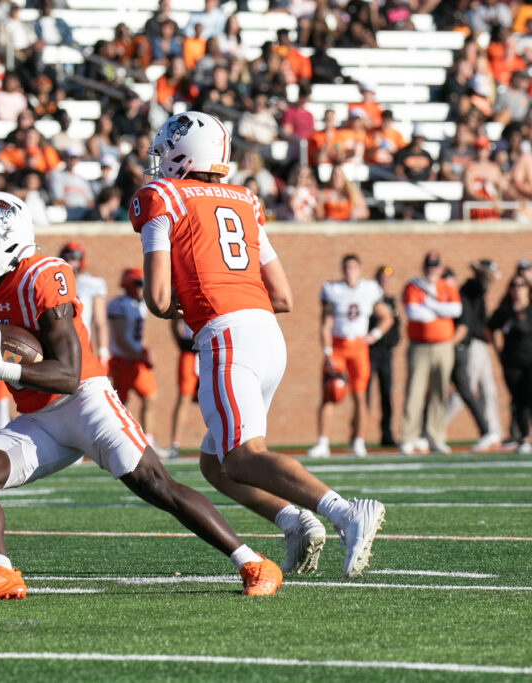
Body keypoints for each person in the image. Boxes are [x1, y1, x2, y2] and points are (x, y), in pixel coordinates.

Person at [0, 191, 283, 601]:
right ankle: (0, 570)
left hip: (85, 400)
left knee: (154, 483)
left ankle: (253, 562)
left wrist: (3, 368)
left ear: (7, 245)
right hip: (38, 417)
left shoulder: (42, 275)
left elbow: (66, 372)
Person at [132, 111, 385, 577]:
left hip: (227, 337)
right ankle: (295, 521)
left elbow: (158, 298)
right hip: (267, 334)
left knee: (244, 456)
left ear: (184, 153)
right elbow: (284, 297)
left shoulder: (162, 195)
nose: (159, 159)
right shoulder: (244, 199)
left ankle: (347, 512)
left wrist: (182, 307)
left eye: (165, 149)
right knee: (215, 464)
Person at [308, 255, 392, 458]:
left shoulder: (370, 289)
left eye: (353, 267)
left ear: (360, 269)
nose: (349, 271)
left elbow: (386, 317)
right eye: (346, 267)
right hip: (337, 345)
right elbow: (325, 324)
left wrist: (374, 335)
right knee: (330, 391)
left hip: (358, 347)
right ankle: (323, 441)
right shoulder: (333, 289)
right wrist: (327, 351)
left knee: (360, 395)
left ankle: (359, 441)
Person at [400, 251, 463, 454]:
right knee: (415, 392)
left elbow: (455, 310)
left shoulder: (447, 286)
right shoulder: (414, 285)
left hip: (444, 345)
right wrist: (438, 311)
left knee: (439, 392)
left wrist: (431, 305)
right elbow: (414, 313)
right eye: (429, 266)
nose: (432, 269)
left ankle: (435, 436)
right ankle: (409, 437)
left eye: (435, 266)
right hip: (420, 345)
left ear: (441, 268)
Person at [447, 260, 502, 451]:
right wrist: (481, 270)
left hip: (481, 345)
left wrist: (484, 270)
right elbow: (490, 277)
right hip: (472, 345)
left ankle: (493, 433)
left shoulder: (479, 286)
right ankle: (436, 428)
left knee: (489, 390)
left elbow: (494, 277)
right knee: (465, 390)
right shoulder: (470, 286)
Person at [107, 268, 159, 445]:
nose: (141, 289)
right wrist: (139, 354)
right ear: (129, 285)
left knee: (150, 397)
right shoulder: (118, 305)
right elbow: (121, 338)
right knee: (121, 404)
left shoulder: (141, 305)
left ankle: (148, 441)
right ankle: (121, 441)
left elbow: (139, 334)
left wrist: (143, 351)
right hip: (122, 360)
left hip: (136, 359)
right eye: (138, 284)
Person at [488, 274, 532, 453]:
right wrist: (498, 350)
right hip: (512, 363)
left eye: (522, 285)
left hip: (531, 362)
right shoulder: (505, 311)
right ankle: (524, 438)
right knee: (519, 401)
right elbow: (489, 328)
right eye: (514, 285)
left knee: (529, 397)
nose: (518, 289)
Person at [368, 265, 402, 447]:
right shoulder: (370, 299)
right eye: (382, 277)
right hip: (370, 352)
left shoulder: (391, 301)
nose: (385, 281)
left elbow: (396, 327)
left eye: (388, 278)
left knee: (386, 394)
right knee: (363, 394)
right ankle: (359, 435)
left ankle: (387, 434)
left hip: (386, 353)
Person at [58, 242, 110, 362]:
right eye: (66, 259)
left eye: (74, 259)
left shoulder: (92, 283)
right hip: (60, 341)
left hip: (83, 341)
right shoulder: (55, 281)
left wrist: (103, 351)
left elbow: (99, 321)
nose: (70, 263)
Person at [167, 320, 199, 459]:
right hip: (190, 350)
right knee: (184, 396)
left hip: (209, 349)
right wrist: (181, 342)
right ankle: (175, 444)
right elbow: (174, 321)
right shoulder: (185, 297)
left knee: (216, 394)